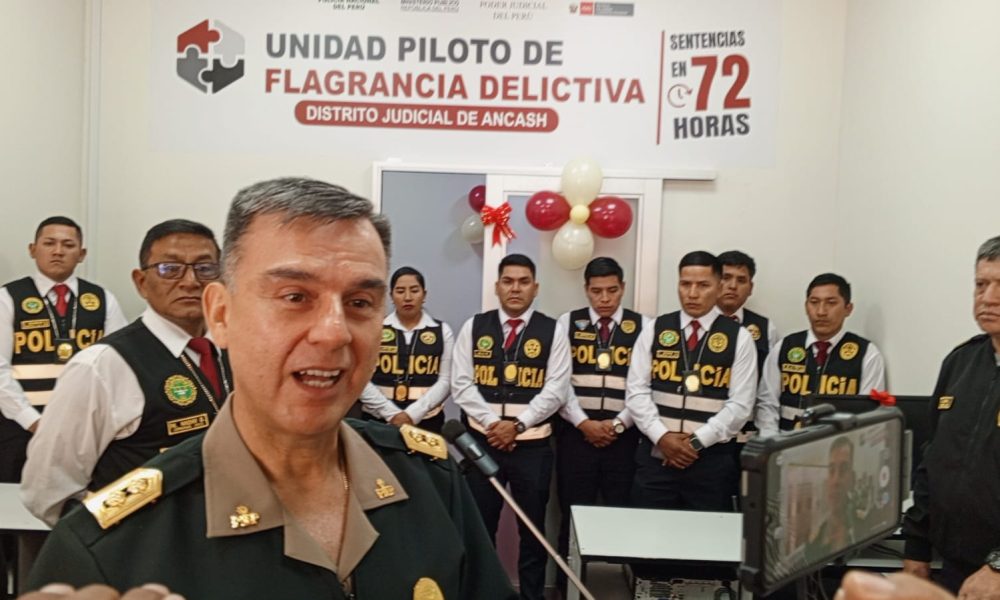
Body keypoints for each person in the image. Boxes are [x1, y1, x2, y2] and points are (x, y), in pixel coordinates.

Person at [25, 177, 515, 600]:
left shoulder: (432, 484)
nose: (334, 333)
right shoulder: (111, 545)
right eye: (295, 296)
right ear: (221, 314)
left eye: (360, 302)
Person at [21, 219, 229, 526]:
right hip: (143, 546)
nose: (190, 281)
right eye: (169, 268)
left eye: (205, 268)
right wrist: (117, 543)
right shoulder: (101, 367)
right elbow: (47, 490)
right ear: (141, 282)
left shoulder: (235, 350)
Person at [451, 253, 571, 600]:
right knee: (478, 528)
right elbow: (461, 384)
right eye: (508, 281)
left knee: (533, 532)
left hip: (532, 447)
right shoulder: (475, 327)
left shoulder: (553, 330)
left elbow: (556, 390)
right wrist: (494, 424)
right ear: (497, 287)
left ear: (535, 288)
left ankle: (532, 596)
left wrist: (516, 425)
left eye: (523, 282)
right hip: (482, 443)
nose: (515, 289)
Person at [902, 235, 1000, 598]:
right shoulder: (961, 362)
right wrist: (916, 547)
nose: (987, 297)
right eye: (980, 284)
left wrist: (999, 565)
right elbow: (933, 458)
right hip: (956, 567)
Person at [625, 251, 757, 511]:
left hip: (710, 462)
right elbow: (636, 391)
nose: (693, 293)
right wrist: (663, 438)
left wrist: (695, 442)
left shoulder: (739, 338)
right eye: (685, 284)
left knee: (706, 535)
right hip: (656, 457)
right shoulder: (656, 328)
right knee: (648, 530)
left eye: (703, 285)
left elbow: (740, 406)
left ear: (719, 286)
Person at [0, 216, 127, 484]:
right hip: (20, 428)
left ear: (81, 254)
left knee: (82, 499)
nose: (58, 251)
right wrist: (32, 421)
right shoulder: (8, 297)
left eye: (68, 245)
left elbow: (120, 367)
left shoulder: (103, 299)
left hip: (84, 431)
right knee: (15, 503)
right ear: (33, 249)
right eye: (49, 243)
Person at [554, 256, 651, 591]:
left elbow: (644, 386)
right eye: (597, 291)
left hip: (624, 439)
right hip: (576, 437)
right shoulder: (567, 323)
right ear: (586, 290)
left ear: (622, 288)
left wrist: (618, 425)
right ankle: (568, 588)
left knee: (624, 513)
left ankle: (628, 588)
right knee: (572, 515)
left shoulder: (643, 326)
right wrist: (584, 423)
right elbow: (559, 382)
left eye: (612, 290)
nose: (605, 298)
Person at [756, 273, 886, 435]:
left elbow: (868, 414)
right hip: (785, 442)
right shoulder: (785, 347)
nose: (821, 311)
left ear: (848, 309)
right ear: (806, 306)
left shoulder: (866, 354)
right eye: (814, 302)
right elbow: (767, 403)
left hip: (839, 446)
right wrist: (772, 442)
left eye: (831, 303)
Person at [358, 266, 454, 433]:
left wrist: (413, 414)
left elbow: (446, 380)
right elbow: (360, 378)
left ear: (424, 295)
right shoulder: (374, 328)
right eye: (400, 291)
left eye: (414, 291)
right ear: (391, 296)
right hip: (378, 420)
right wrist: (391, 414)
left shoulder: (441, 330)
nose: (407, 297)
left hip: (427, 420)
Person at [803, 436, 855, 565]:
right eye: (831, 471)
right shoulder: (814, 540)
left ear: (852, 478)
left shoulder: (861, 526)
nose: (836, 480)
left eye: (843, 470)